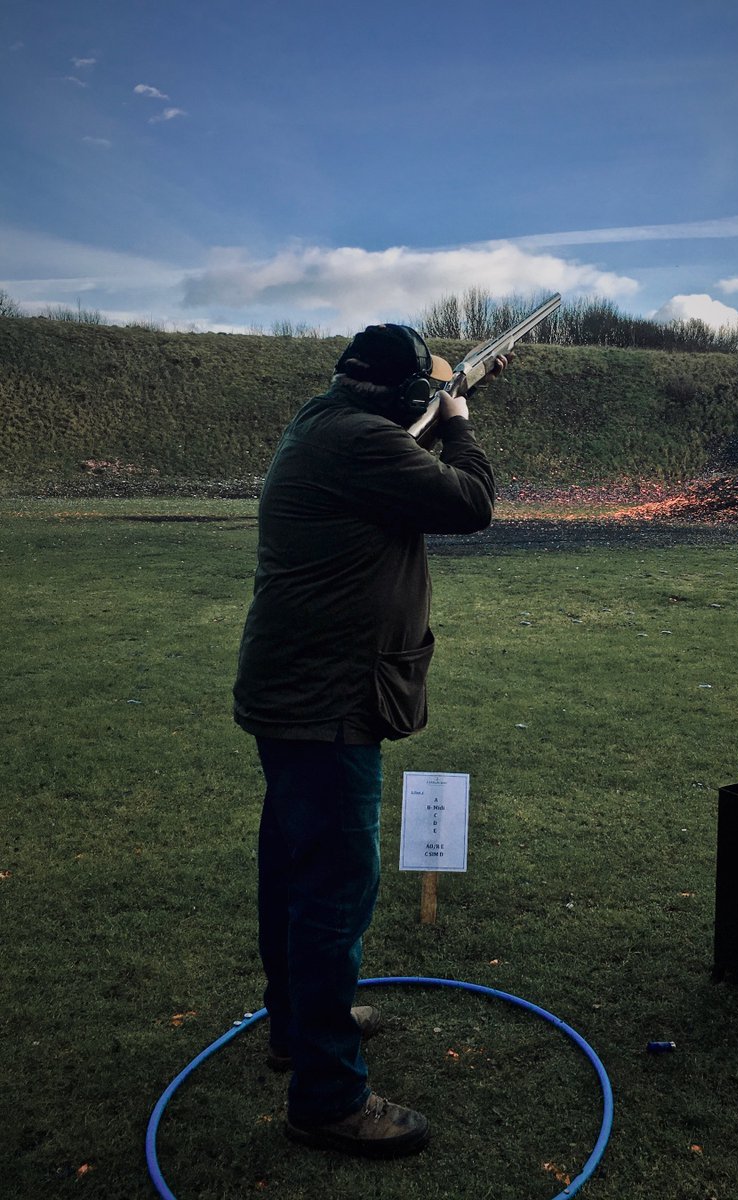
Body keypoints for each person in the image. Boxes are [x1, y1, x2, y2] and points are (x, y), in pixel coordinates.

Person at [233, 322, 505, 1158]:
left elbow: (398, 448)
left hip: (297, 693)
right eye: (419, 389)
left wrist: (434, 398)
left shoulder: (325, 421)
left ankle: (297, 1027)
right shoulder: (362, 442)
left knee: (293, 872)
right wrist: (456, 417)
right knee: (333, 894)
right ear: (400, 396)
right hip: (329, 703)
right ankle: (327, 1097)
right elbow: (472, 503)